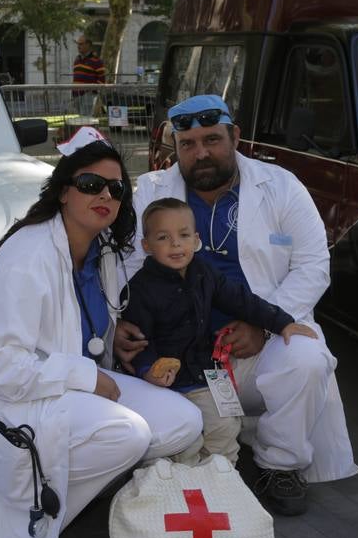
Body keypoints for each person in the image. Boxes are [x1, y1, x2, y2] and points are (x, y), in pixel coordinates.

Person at [0, 132, 203, 538]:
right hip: (17, 397)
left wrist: (117, 335)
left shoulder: (102, 249)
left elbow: (85, 329)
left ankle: (57, 497)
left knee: (184, 421)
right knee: (128, 433)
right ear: (64, 190)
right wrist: (85, 376)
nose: (105, 195)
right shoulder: (28, 255)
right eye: (91, 184)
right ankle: (24, 519)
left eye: (115, 188)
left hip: (71, 385)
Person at [117, 94, 358, 516]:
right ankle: (186, 472)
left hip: (252, 345)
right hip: (179, 354)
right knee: (179, 431)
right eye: (188, 144)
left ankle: (279, 465)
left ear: (235, 136)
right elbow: (125, 265)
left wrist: (262, 326)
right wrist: (119, 321)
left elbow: (313, 264)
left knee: (306, 357)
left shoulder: (281, 186)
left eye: (211, 139)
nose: (201, 153)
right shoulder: (152, 192)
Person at [123, 197, 319, 467]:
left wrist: (282, 322)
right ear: (146, 246)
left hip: (205, 374)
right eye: (163, 237)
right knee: (183, 442)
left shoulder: (204, 272)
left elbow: (242, 300)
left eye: (183, 235)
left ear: (196, 239)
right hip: (165, 384)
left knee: (225, 430)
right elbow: (137, 340)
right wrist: (149, 370)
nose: (176, 244)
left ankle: (221, 485)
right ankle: (184, 493)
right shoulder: (140, 289)